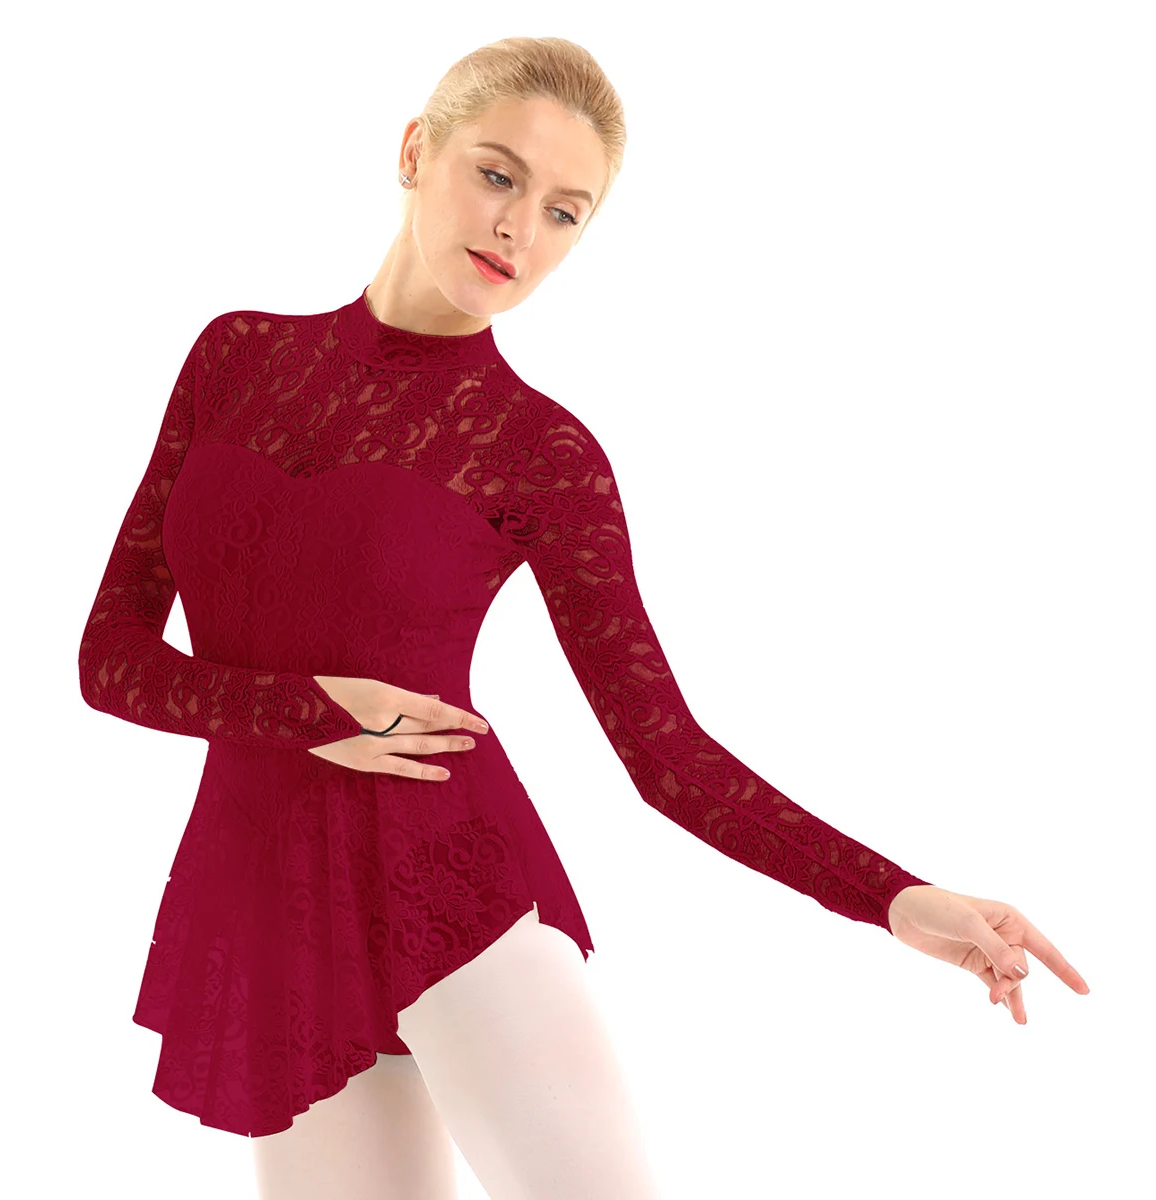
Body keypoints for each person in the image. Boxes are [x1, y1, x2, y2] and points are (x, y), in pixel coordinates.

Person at [77, 35, 1091, 1200]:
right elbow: (110, 659)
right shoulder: (236, 356)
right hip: (273, 901)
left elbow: (666, 753)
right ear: (415, 150)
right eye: (497, 176)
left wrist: (895, 897)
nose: (520, 229)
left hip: (447, 886)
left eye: (565, 212)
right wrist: (309, 712)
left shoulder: (541, 455)